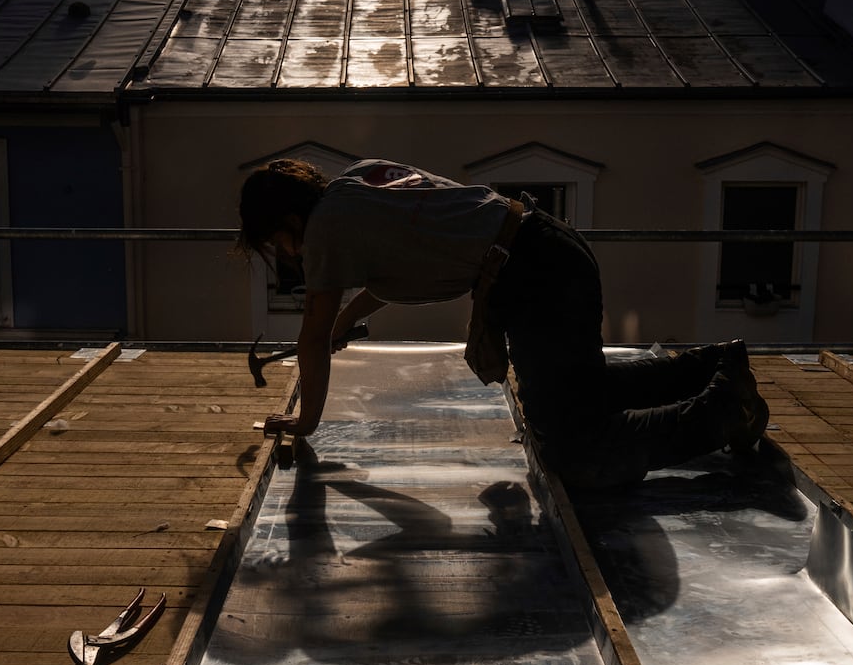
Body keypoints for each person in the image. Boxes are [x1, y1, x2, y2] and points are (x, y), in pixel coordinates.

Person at [236, 157, 769, 488]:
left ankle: (725, 407)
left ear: (289, 221)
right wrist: (343, 322)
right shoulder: (357, 185)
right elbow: (386, 273)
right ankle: (715, 364)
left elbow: (309, 333)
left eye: (277, 245)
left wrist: (307, 422)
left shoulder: (325, 230)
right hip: (540, 249)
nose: (287, 257)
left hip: (534, 274)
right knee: (579, 391)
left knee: (574, 452)